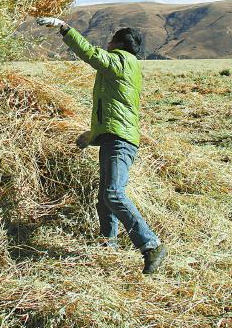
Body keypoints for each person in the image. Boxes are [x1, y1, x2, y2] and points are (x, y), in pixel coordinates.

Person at [37, 16, 167, 274]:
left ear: (119, 43)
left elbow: (90, 54)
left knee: (113, 194)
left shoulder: (121, 61)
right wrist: (92, 135)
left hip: (120, 140)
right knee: (104, 198)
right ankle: (108, 246)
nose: (107, 44)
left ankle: (151, 245)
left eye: (110, 40)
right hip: (113, 136)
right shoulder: (126, 67)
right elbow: (114, 109)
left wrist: (65, 29)